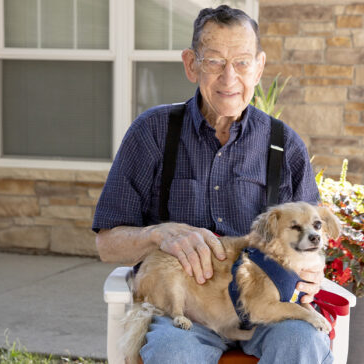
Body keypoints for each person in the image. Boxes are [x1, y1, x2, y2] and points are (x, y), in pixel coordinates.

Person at [92, 5, 331, 364]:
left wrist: (312, 270)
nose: (229, 78)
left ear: (260, 66)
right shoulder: (153, 133)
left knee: (302, 343)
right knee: (172, 351)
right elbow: (106, 244)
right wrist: (158, 234)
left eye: (242, 62)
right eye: (215, 61)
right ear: (191, 64)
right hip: (188, 307)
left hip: (267, 306)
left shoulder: (284, 144)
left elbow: (314, 238)